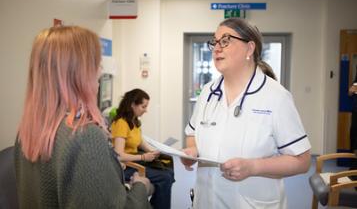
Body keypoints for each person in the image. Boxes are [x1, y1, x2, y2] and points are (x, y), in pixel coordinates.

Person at [15, 26, 152, 209]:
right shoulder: (84, 137)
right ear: (79, 72)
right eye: (96, 63)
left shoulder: (26, 131)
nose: (100, 71)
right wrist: (140, 187)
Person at [181, 18, 311, 209]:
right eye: (214, 42)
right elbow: (192, 134)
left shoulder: (276, 97)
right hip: (206, 200)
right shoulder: (208, 93)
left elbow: (302, 161)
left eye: (225, 41)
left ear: (249, 49)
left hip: (252, 202)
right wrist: (192, 151)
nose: (217, 48)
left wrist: (254, 167)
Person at [111, 88, 175, 209]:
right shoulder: (121, 123)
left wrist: (152, 151)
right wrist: (143, 157)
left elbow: (140, 141)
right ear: (132, 105)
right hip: (126, 166)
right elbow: (119, 154)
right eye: (143, 106)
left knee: (169, 168)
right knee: (165, 177)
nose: (146, 110)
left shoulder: (133, 121)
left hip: (135, 160)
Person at [348, 70, 357, 176]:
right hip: (355, 112)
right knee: (353, 139)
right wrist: (351, 90)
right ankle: (353, 168)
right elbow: (350, 93)